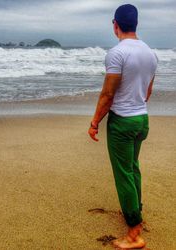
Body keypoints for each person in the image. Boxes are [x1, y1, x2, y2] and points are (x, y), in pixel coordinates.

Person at [88, 4, 158, 249]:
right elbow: (147, 92)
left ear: (115, 24)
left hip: (123, 122)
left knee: (124, 174)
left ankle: (134, 234)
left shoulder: (117, 53)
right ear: (135, 24)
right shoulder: (151, 53)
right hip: (142, 119)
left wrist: (95, 122)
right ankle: (135, 211)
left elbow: (108, 94)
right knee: (133, 167)